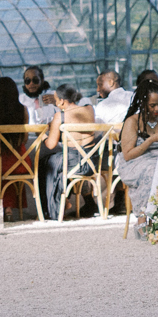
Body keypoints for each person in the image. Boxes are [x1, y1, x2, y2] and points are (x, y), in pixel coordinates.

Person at [116, 84, 158, 237]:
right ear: (143, 104)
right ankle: (143, 219)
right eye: (152, 105)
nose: (156, 109)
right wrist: (151, 140)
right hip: (135, 160)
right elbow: (128, 154)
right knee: (152, 171)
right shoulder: (132, 121)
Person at [41, 85, 96, 220]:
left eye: (56, 100)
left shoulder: (60, 116)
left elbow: (51, 144)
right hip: (91, 163)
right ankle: (65, 201)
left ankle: (53, 208)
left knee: (46, 163)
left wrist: (42, 135)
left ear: (62, 101)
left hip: (72, 163)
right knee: (59, 161)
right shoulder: (89, 109)